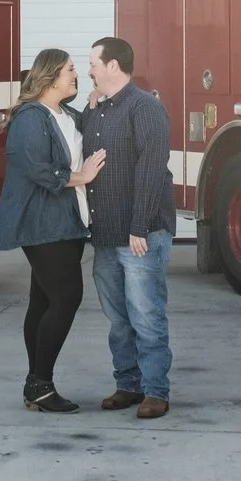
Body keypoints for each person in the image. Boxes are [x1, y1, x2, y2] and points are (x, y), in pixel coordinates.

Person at [0, 47, 106, 412]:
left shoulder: (67, 115)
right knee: (67, 297)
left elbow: (81, 140)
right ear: (52, 76)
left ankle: (36, 385)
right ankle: (40, 384)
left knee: (43, 301)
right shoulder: (30, 117)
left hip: (68, 223)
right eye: (70, 69)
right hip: (42, 224)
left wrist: (93, 105)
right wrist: (82, 177)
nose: (77, 75)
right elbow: (39, 169)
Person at [79, 35, 177, 419]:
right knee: (119, 320)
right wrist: (90, 104)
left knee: (146, 315)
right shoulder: (95, 111)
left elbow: (151, 170)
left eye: (93, 64)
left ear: (113, 66)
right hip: (105, 235)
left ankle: (155, 391)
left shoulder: (145, 108)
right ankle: (128, 384)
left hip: (141, 235)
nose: (88, 71)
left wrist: (139, 227)